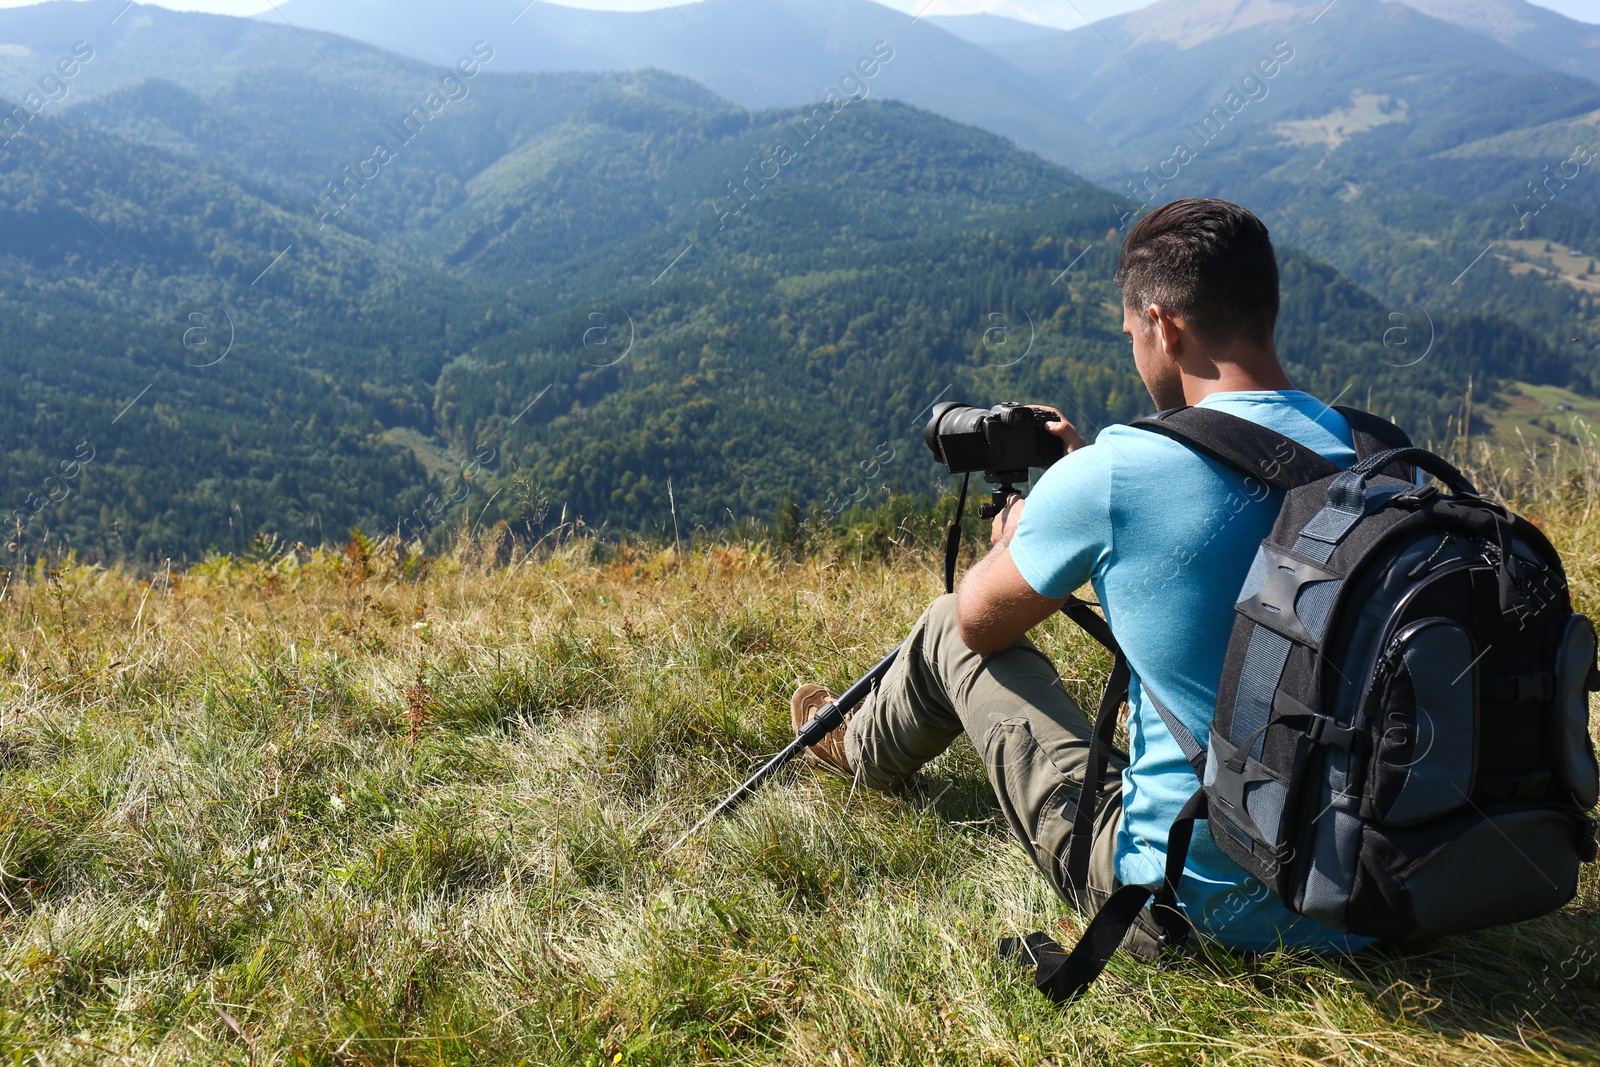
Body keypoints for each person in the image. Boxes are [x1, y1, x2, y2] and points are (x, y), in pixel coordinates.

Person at [792, 197, 1374, 958]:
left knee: (946, 625)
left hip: (1193, 906)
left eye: (1134, 333)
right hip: (1370, 887)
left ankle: (858, 748)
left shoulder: (1117, 474)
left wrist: (1029, 535)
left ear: (1164, 326)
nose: (1136, 348)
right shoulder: (1374, 456)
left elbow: (979, 624)